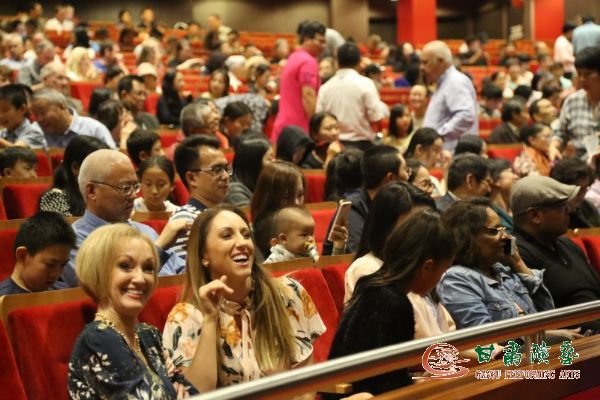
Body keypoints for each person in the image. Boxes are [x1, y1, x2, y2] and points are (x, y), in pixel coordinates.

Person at [162, 206, 325, 390]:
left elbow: (305, 388)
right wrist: (210, 320)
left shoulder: (288, 294)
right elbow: (197, 394)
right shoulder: (185, 317)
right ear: (204, 256)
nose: (242, 243)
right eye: (227, 236)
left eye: (246, 235)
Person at [328, 210, 456, 397]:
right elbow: (387, 381)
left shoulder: (374, 283)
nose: (440, 279)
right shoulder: (394, 302)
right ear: (427, 267)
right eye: (443, 270)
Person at [69, 224, 200, 398]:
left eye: (148, 268)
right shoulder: (98, 339)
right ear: (98, 272)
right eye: (125, 266)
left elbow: (194, 394)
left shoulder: (148, 334)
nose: (140, 279)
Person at [60, 149, 186, 288]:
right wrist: (159, 247)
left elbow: (183, 271)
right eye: (125, 188)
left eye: (135, 186)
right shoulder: (73, 241)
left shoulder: (145, 231)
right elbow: (104, 287)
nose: (133, 196)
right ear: (92, 191)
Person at [438, 199, 555, 328]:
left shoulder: (502, 271)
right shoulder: (457, 279)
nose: (505, 237)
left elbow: (549, 316)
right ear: (465, 237)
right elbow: (485, 335)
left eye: (503, 229)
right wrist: (545, 335)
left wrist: (518, 262)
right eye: (494, 231)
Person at [512, 175, 600, 333]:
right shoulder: (517, 256)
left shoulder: (566, 244)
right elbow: (538, 316)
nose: (570, 211)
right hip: (574, 341)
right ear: (534, 216)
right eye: (561, 207)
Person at [345, 182, 436, 304]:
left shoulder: (421, 266)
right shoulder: (369, 269)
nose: (422, 234)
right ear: (385, 227)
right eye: (412, 227)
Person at [322, 145, 410, 255]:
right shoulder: (352, 209)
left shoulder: (394, 204)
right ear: (390, 178)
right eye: (405, 169)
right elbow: (358, 255)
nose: (408, 175)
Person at [316, 42, 389, 150]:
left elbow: (319, 119)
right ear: (359, 62)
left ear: (337, 62)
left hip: (333, 146)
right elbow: (376, 117)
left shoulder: (325, 88)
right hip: (362, 145)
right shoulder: (367, 84)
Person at [169, 135, 231, 260]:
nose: (225, 176)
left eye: (226, 169)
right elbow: (185, 269)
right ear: (192, 178)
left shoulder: (228, 214)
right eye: (217, 170)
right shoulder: (185, 220)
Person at [272, 21, 326, 142]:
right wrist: (316, 127)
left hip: (283, 126)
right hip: (299, 130)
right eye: (320, 41)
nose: (324, 46)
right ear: (307, 39)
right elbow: (308, 95)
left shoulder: (293, 57)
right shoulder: (308, 61)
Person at [0, 211, 74, 295]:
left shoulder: (65, 291)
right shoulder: (3, 299)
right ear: (22, 255)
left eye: (63, 265)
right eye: (50, 265)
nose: (56, 274)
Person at [422, 40, 477, 152]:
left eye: (425, 62)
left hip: (452, 153)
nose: (421, 67)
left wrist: (436, 136)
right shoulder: (443, 83)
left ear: (441, 61)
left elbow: (465, 116)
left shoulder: (455, 82)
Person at [550, 47, 600, 162]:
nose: (582, 79)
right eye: (579, 74)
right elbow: (560, 133)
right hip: (580, 165)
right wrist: (554, 146)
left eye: (588, 74)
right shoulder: (572, 100)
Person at [39, 136, 108, 217]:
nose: (105, 173)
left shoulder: (103, 194)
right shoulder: (55, 197)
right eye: (99, 167)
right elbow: (64, 225)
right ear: (75, 168)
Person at [31, 88, 116, 149]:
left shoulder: (94, 129)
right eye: (36, 115)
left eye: (42, 112)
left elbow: (113, 159)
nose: (39, 119)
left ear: (61, 106)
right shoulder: (36, 131)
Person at [264, 205, 347, 264]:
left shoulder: (312, 255)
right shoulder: (276, 259)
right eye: (304, 235)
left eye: (311, 234)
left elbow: (329, 271)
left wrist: (338, 248)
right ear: (284, 239)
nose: (310, 239)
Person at [550, 158, 600, 229]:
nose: (582, 194)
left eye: (585, 188)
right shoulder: (548, 216)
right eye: (577, 189)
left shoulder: (588, 207)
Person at [226, 134, 273, 207]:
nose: (274, 162)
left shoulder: (261, 183)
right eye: (270, 159)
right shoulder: (235, 192)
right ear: (255, 163)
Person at [0, 84, 46, 148]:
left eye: (5, 110)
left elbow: (17, 151)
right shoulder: (4, 132)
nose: (1, 116)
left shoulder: (33, 131)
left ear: (22, 109)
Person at [405, 127, 446, 196]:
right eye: (435, 150)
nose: (438, 157)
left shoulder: (433, 179)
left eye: (440, 151)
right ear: (420, 149)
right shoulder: (404, 176)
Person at [488, 158, 518, 233]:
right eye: (511, 172)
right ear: (496, 180)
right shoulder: (489, 213)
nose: (516, 177)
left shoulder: (516, 207)